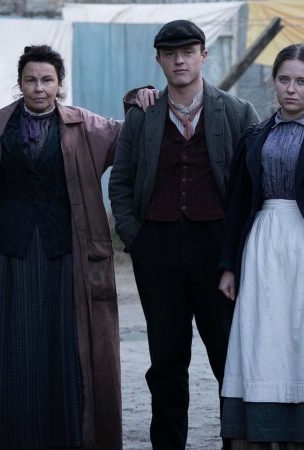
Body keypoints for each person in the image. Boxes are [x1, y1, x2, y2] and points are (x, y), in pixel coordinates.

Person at [0, 44, 123, 449]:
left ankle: (63, 436)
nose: (39, 88)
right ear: (19, 83)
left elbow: (125, 136)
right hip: (6, 258)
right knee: (7, 347)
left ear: (60, 84)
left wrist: (140, 99)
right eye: (31, 80)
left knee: (64, 347)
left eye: (47, 80)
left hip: (64, 258)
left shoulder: (83, 126)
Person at [109, 20, 259, 449]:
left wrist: (236, 253)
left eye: (188, 52)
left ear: (203, 56)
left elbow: (253, 187)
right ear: (158, 60)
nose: (180, 61)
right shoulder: (142, 115)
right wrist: (136, 238)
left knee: (228, 357)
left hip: (216, 250)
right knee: (166, 361)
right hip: (156, 250)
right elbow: (121, 182)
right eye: (171, 54)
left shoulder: (237, 112)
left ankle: (237, 442)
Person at [218, 43, 304, 449]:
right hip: (263, 245)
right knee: (264, 334)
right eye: (284, 79)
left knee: (298, 331)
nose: (292, 89)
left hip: (301, 243)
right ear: (274, 83)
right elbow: (237, 203)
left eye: (301, 81)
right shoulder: (256, 136)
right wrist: (228, 266)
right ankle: (263, 432)